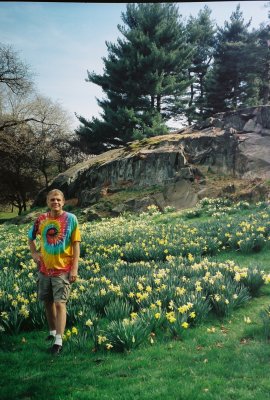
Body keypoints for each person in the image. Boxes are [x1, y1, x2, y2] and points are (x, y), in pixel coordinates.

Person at [28, 189, 81, 355]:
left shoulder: (71, 219)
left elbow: (76, 245)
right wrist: (34, 253)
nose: (55, 202)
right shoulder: (41, 219)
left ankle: (59, 340)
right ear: (47, 202)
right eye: (52, 200)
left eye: (58, 199)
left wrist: (74, 268)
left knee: (60, 303)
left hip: (63, 269)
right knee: (47, 302)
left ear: (63, 202)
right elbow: (30, 238)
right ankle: (52, 332)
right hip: (44, 269)